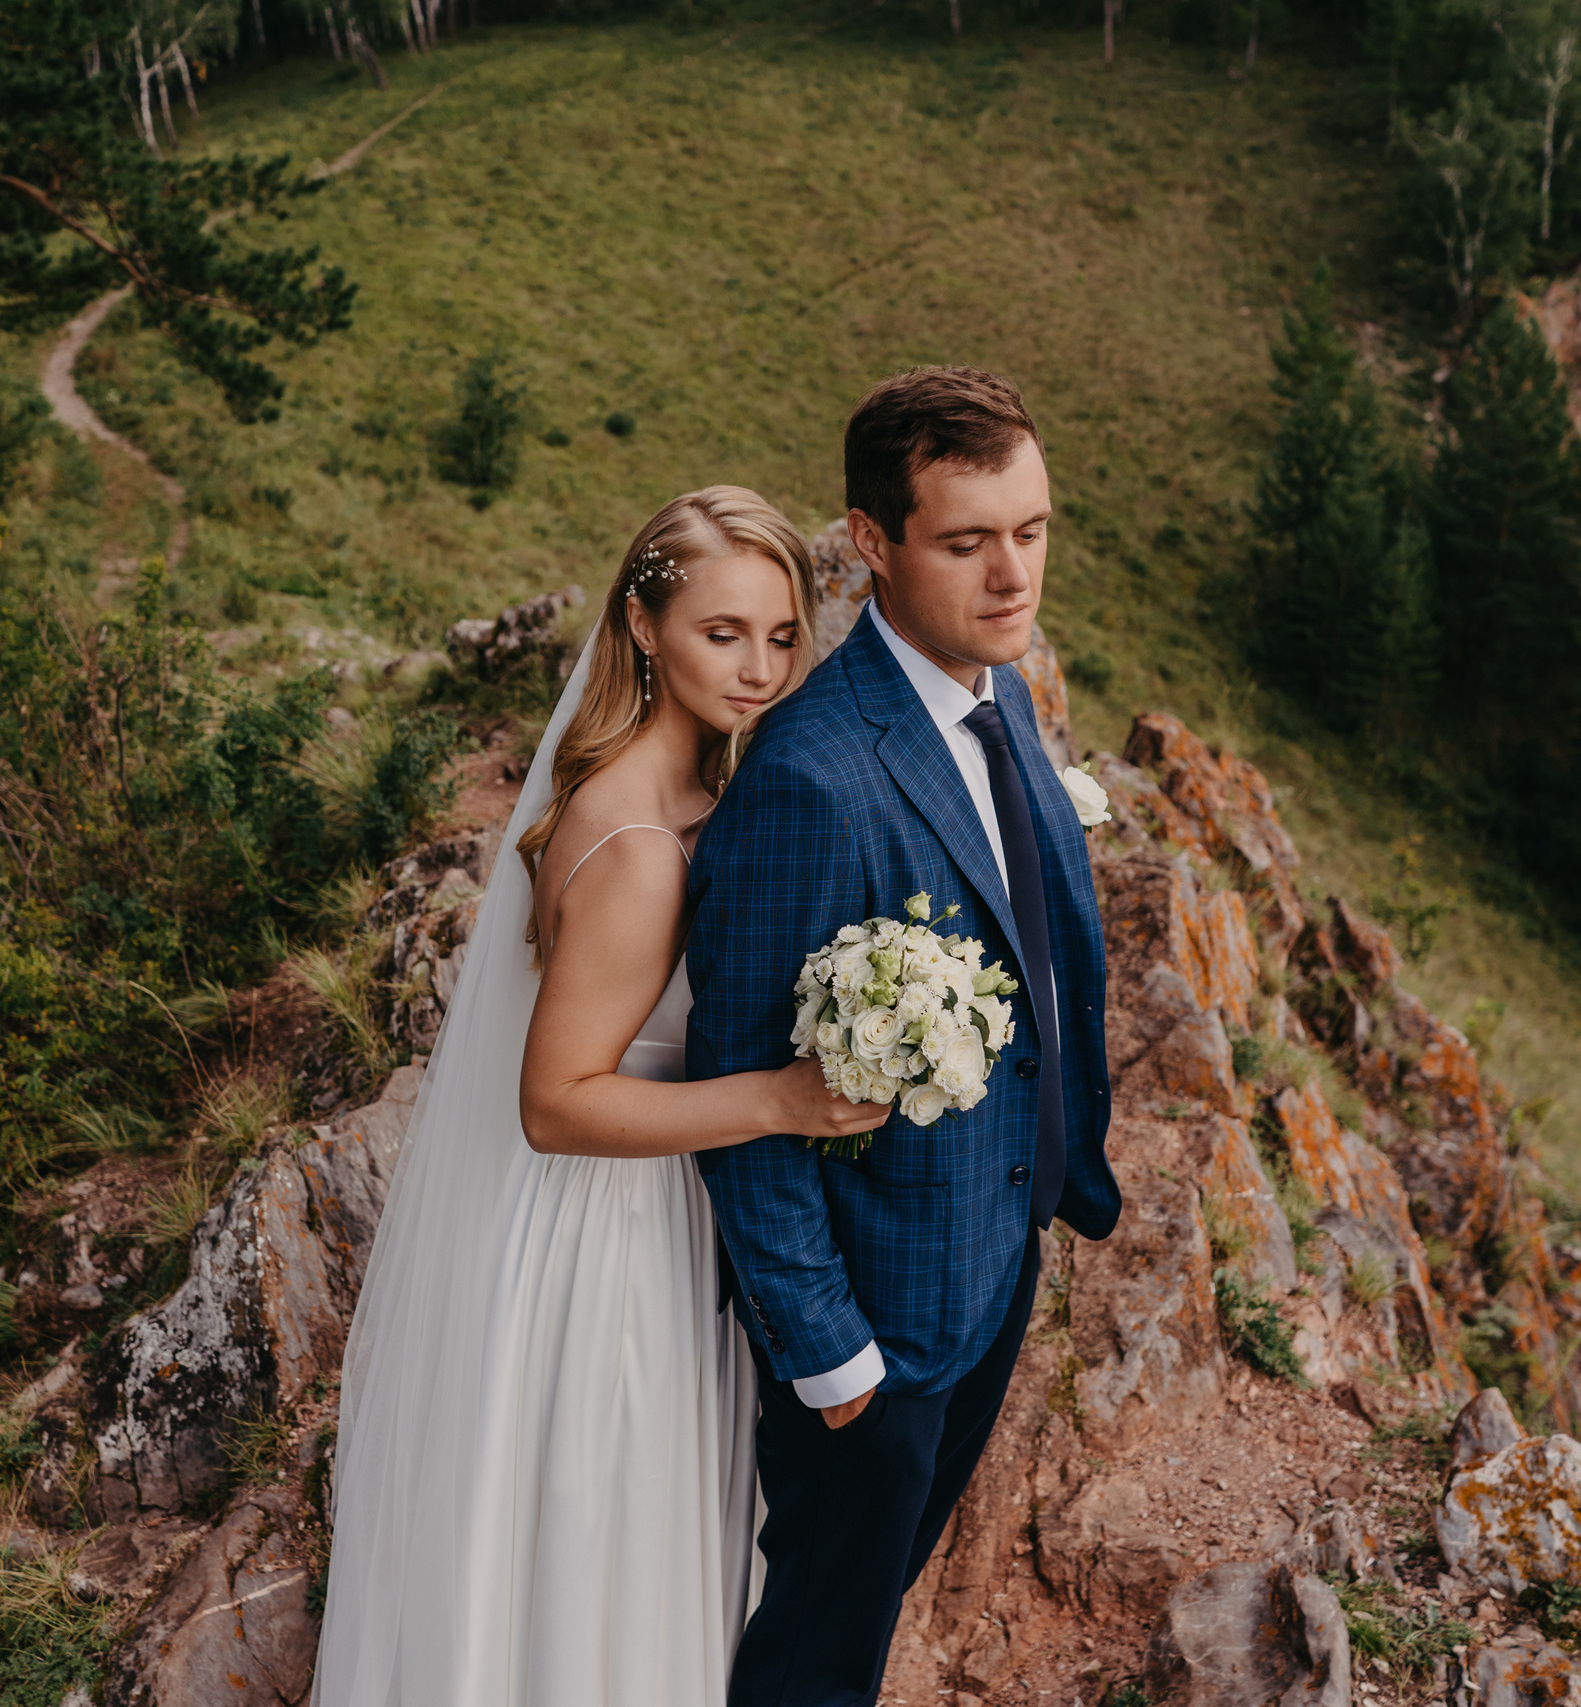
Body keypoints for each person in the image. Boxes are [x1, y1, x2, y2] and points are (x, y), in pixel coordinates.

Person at [314, 486, 888, 1707]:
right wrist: (782, 1100)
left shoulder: (697, 797)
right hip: (605, 1237)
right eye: (722, 633)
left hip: (649, 1212)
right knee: (600, 1554)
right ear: (644, 627)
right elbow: (556, 1102)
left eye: (782, 637)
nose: (758, 667)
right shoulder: (637, 845)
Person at [687, 368, 1124, 1707]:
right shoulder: (814, 778)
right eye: (966, 539)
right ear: (870, 542)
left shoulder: (1000, 690)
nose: (1012, 576)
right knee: (813, 1662)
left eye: (1032, 531)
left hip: (991, 1261)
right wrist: (837, 1363)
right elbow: (740, 1093)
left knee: (861, 1628)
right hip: (874, 1328)